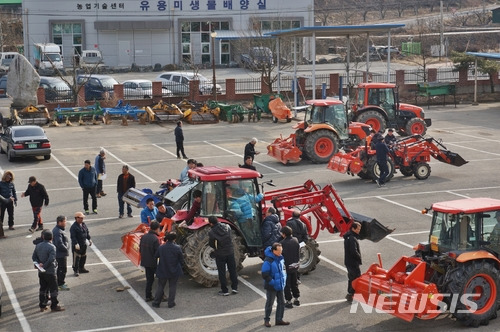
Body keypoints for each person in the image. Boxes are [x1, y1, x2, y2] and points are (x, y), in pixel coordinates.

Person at [32, 229, 65, 312]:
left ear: (43, 237)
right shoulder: (52, 247)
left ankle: (42, 305)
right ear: (52, 238)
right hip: (50, 272)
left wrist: (39, 264)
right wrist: (45, 266)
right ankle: (54, 306)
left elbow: (34, 257)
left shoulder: (38, 245)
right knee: (54, 289)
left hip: (41, 272)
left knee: (43, 289)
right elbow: (51, 259)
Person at [208, 216, 238, 296]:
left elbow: (211, 244)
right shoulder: (227, 227)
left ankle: (225, 290)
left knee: (222, 272)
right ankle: (235, 288)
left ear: (211, 223)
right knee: (232, 270)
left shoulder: (212, 232)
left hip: (220, 253)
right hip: (230, 252)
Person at [152, 232, 184, 308]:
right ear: (174, 239)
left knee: (161, 286)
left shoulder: (161, 247)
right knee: (172, 286)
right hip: (174, 269)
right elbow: (181, 260)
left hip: (163, 269)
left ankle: (156, 302)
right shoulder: (177, 248)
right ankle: (171, 303)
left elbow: (156, 256)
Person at [262, 242, 289, 327]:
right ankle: (267, 320)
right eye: (279, 251)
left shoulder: (281, 258)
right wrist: (273, 283)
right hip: (272, 286)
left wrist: (283, 280)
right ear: (274, 250)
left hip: (280, 285)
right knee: (269, 303)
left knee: (281, 303)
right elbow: (265, 275)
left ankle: (279, 320)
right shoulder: (268, 261)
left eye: (281, 250)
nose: (281, 252)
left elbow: (283, 270)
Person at [139, 221, 160, 302]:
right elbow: (157, 252)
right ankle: (161, 295)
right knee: (161, 279)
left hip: (145, 261)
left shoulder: (144, 237)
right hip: (153, 262)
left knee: (149, 280)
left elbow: (140, 249)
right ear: (157, 229)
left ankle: (148, 296)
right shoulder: (155, 239)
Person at [280, 226, 300, 308]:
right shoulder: (295, 240)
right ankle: (296, 298)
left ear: (284, 234)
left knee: (287, 285)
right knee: (294, 283)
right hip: (295, 265)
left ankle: (288, 301)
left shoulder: (282, 243)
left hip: (287, 266)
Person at [344, 222, 362, 303]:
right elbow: (354, 251)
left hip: (348, 261)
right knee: (356, 278)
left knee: (351, 277)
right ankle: (352, 294)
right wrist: (359, 258)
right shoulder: (352, 239)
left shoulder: (347, 237)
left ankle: (350, 293)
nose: (359, 231)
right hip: (353, 262)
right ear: (353, 229)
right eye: (358, 229)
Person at [70, 211, 92, 276]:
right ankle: (76, 270)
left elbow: (86, 232)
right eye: (80, 218)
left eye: (82, 218)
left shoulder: (83, 224)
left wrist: (89, 239)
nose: (82, 219)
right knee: (76, 257)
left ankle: (81, 268)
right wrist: (76, 243)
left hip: (83, 243)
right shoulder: (74, 227)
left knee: (83, 256)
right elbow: (73, 236)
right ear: (76, 218)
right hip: (77, 245)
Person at [52, 215, 70, 291]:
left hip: (61, 253)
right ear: (60, 222)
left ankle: (60, 282)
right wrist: (66, 249)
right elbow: (59, 243)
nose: (65, 223)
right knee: (62, 269)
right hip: (60, 254)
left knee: (62, 268)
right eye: (64, 221)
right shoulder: (57, 231)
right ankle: (60, 284)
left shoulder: (60, 229)